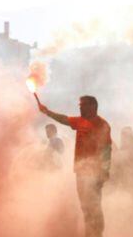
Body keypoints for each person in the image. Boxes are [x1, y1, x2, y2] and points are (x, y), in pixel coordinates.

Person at [39, 95, 112, 237]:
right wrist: (47, 112)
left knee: (94, 206)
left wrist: (104, 172)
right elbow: (64, 119)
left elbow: (107, 150)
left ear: (92, 106)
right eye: (79, 105)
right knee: (85, 206)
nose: (79, 108)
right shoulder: (80, 121)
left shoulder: (102, 125)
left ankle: (97, 234)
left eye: (82, 105)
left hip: (95, 173)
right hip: (80, 172)